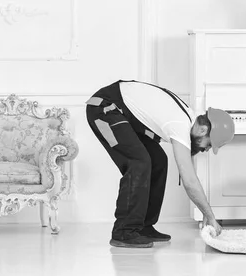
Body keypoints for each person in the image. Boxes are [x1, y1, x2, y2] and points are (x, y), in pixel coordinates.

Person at [85, 80, 235, 248]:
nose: (205, 150)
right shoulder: (179, 123)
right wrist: (210, 216)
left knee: (158, 161)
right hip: (103, 109)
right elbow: (189, 180)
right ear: (203, 130)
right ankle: (124, 231)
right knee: (139, 162)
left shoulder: (187, 120)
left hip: (123, 114)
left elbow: (189, 173)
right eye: (208, 144)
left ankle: (143, 227)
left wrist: (206, 213)